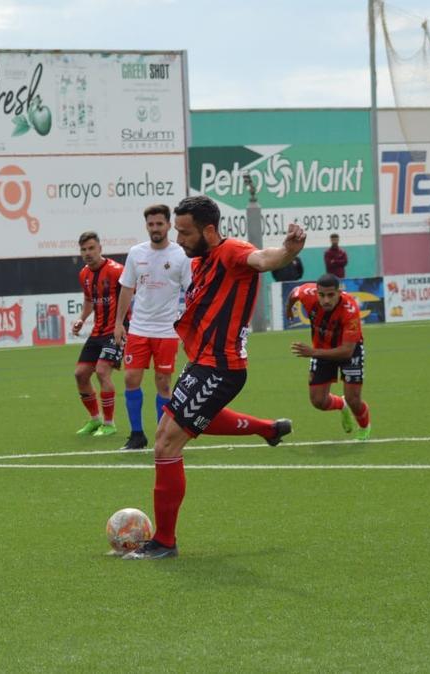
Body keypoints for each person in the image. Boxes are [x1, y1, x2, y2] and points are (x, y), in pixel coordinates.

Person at [124, 195, 306, 560]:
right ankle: (268, 429)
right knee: (183, 426)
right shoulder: (201, 260)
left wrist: (287, 251)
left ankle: (164, 542)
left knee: (166, 445)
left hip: (221, 369)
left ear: (209, 230)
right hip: (202, 364)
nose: (180, 239)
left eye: (186, 232)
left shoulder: (231, 251)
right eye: (178, 231)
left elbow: (262, 259)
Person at [113, 204, 190, 450]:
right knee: (130, 378)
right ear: (146, 226)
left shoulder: (181, 255)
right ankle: (137, 435)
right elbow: (127, 288)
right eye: (151, 224)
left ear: (168, 225)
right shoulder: (136, 253)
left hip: (167, 331)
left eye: (159, 224)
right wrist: (119, 323)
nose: (155, 228)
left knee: (163, 383)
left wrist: (189, 328)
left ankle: (161, 434)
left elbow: (191, 292)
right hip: (138, 328)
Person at [285, 274, 371, 440]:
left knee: (354, 399)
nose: (326, 300)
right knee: (318, 401)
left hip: (350, 350)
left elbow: (346, 351)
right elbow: (294, 293)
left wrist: (313, 352)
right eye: (322, 295)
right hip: (321, 348)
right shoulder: (307, 293)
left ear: (339, 293)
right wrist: (289, 309)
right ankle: (341, 404)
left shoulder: (350, 309)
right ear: (316, 292)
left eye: (331, 295)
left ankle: (364, 427)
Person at [71, 231, 124, 438]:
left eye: (91, 248)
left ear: (100, 248)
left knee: (102, 371)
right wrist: (81, 319)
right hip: (97, 331)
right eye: (83, 249)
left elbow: (131, 296)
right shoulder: (84, 274)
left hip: (117, 330)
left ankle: (109, 423)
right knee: (80, 374)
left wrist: (124, 325)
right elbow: (89, 300)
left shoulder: (116, 271)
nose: (87, 253)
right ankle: (95, 420)